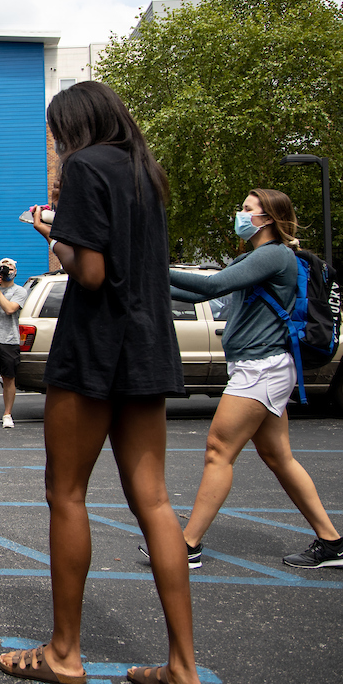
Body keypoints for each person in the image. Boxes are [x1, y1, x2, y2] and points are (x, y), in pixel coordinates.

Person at [0, 81, 198, 684]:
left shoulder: (85, 166)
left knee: (67, 493)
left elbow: (88, 271)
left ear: (75, 129)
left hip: (94, 352)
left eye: (57, 135)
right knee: (156, 502)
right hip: (147, 347)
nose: (56, 147)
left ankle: (64, 653)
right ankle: (183, 667)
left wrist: (53, 236)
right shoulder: (145, 172)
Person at [158, 189, 343, 570]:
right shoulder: (253, 258)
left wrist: (148, 264)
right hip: (260, 366)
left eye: (246, 209)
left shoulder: (275, 255)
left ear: (268, 218)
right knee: (279, 457)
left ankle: (187, 545)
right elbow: (197, 297)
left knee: (217, 451)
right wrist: (144, 283)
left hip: (262, 367)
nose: (239, 214)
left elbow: (212, 285)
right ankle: (332, 542)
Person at [0, 258, 28, 430]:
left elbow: (9, 309)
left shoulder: (20, 291)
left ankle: (7, 414)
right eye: (4, 268)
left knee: (9, 378)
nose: (7, 271)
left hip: (9, 339)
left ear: (15, 272)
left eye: (10, 268)